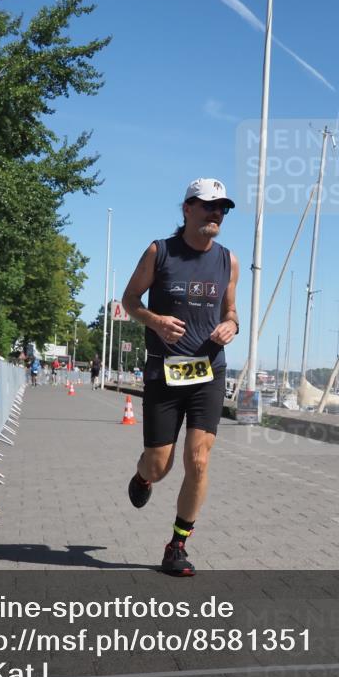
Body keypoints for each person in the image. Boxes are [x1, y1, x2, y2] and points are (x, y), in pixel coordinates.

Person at [121, 178, 239, 576]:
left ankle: (177, 545)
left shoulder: (228, 260)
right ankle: (142, 477)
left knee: (199, 460)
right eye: (209, 206)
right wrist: (154, 321)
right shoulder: (160, 252)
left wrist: (231, 327)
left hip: (209, 372)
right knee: (160, 465)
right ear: (187, 208)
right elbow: (129, 301)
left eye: (222, 208)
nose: (216, 213)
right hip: (165, 374)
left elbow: (232, 312)